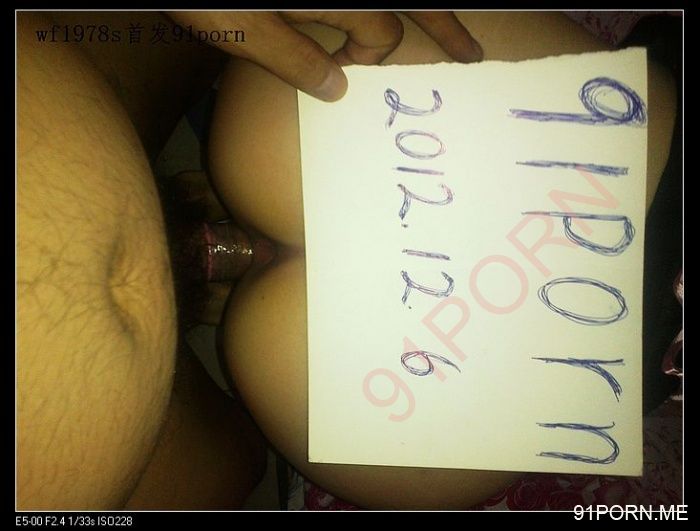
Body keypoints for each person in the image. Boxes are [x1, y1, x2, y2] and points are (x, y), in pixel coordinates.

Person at [17, 11, 678, 510]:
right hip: (630, 157)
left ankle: (211, 248)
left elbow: (231, 469)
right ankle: (210, 246)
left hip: (589, 352)